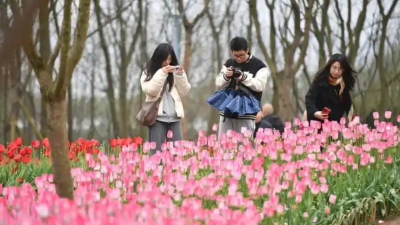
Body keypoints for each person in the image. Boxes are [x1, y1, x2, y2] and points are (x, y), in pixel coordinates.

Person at [140, 43, 191, 155]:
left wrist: (180, 75)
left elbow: (184, 91)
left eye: (170, 59)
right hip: (157, 118)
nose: (167, 62)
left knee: (177, 154)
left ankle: (175, 173)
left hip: (175, 118)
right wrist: (162, 73)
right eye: (165, 59)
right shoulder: (148, 73)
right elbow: (151, 90)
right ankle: (156, 172)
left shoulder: (173, 74)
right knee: (156, 154)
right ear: (158, 59)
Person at [215, 37, 269, 138]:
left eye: (241, 55)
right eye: (235, 55)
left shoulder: (259, 66)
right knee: (224, 145)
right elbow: (219, 83)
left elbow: (260, 86)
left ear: (247, 50)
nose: (238, 58)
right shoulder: (229, 63)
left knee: (245, 146)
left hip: (246, 113)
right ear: (232, 52)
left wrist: (243, 77)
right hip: (226, 112)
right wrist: (226, 76)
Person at [305, 53, 356, 125]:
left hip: (334, 124)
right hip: (317, 122)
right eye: (334, 67)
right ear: (330, 66)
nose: (336, 72)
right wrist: (315, 112)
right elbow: (310, 98)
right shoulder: (320, 80)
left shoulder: (343, 85)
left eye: (340, 69)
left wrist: (353, 123)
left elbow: (348, 105)